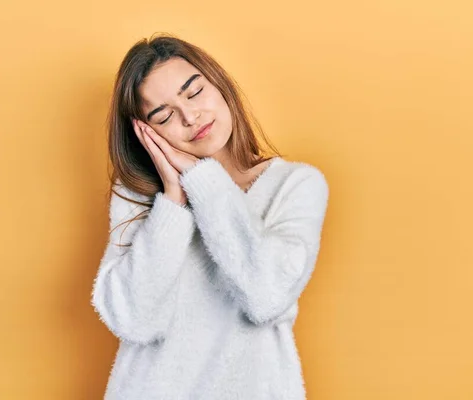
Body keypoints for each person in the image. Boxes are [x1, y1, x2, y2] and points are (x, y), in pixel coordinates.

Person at [91, 33, 330, 400]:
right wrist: (174, 200)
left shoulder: (295, 184)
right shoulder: (138, 196)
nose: (191, 117)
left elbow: (266, 296)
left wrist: (201, 179)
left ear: (219, 84)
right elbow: (134, 320)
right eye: (164, 115)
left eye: (194, 92)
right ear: (146, 133)